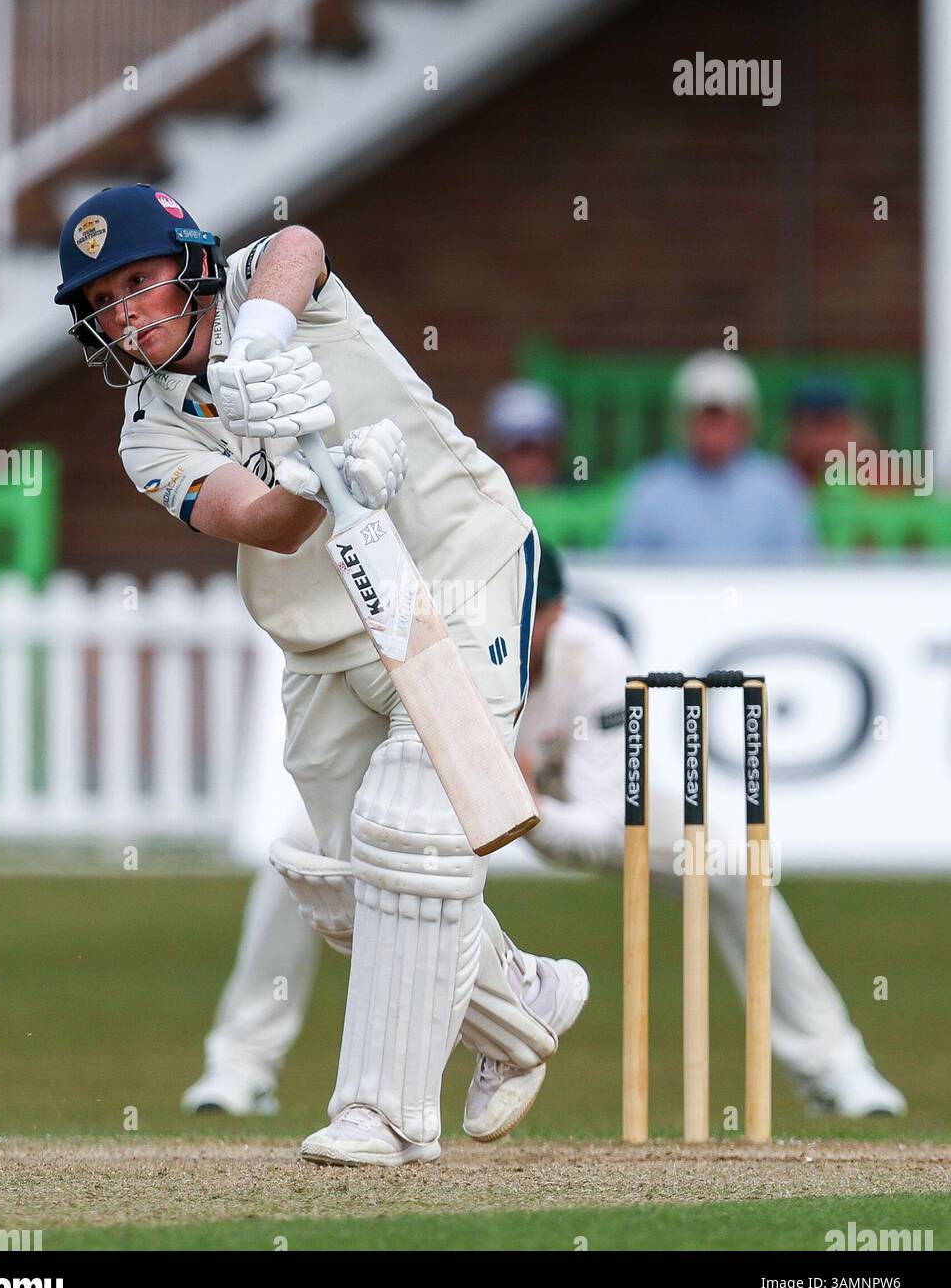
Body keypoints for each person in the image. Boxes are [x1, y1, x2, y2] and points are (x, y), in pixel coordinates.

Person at [53, 183, 588, 1165]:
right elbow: (250, 520)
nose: (127, 311)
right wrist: (303, 488)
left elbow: (299, 241)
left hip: (455, 570)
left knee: (413, 833)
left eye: (139, 280)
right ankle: (523, 1006)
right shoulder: (148, 432)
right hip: (320, 629)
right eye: (104, 301)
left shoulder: (267, 282)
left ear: (194, 263)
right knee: (346, 884)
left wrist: (261, 335)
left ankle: (381, 1117)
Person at [182, 541, 906, 1122]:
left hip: (552, 794)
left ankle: (834, 1065)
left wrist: (522, 799)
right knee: (304, 847)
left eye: (530, 611)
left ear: (555, 612)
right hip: (428, 785)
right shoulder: (426, 646)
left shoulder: (594, 664)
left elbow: (596, 832)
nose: (514, 623)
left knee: (720, 860)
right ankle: (240, 1066)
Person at [611, 350, 817, 558]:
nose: (714, 428)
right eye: (705, 415)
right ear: (684, 419)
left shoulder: (779, 488)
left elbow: (799, 575)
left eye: (722, 416)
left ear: (746, 420)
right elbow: (628, 569)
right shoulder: (651, 489)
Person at [784, 374, 880, 488]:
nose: (826, 441)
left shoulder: (888, 485)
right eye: (816, 427)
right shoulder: (777, 483)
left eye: (838, 426)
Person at [483, 380, 566, 488]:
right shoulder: (478, 503)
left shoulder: (581, 500)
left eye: (549, 450)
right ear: (499, 454)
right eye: (524, 449)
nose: (536, 462)